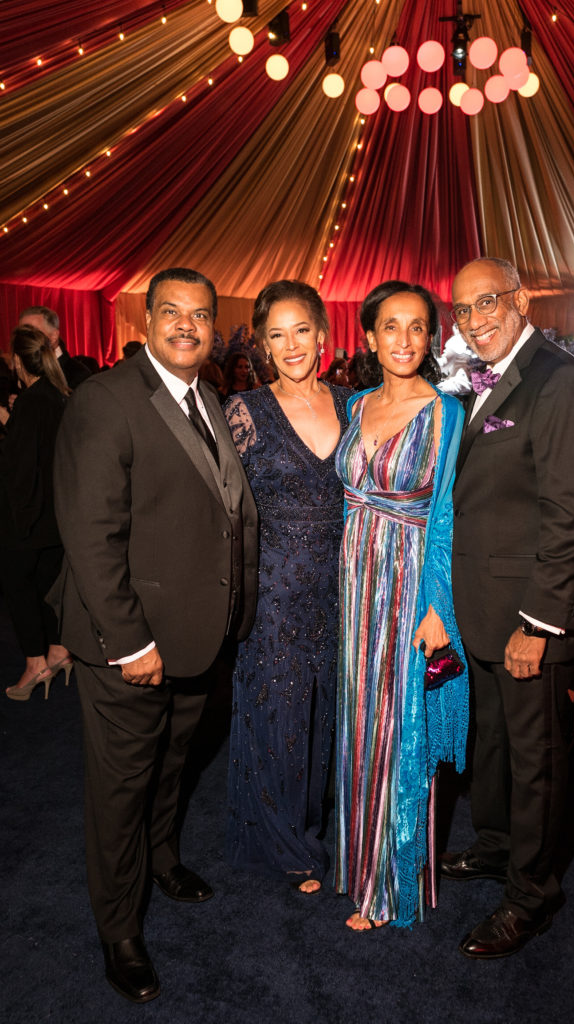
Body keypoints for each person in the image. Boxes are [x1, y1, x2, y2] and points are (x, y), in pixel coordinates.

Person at [50, 268, 258, 1004]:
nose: (187, 326)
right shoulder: (106, 400)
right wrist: (130, 642)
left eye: (200, 315)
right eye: (172, 312)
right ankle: (119, 928)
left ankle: (163, 858)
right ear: (146, 322)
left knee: (172, 764)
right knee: (121, 786)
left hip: (198, 636)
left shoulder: (209, 397)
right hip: (129, 644)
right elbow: (91, 536)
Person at [441, 257, 574, 958]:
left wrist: (537, 624)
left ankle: (532, 896)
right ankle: (496, 845)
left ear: (521, 300)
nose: (475, 319)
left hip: (529, 615)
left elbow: (572, 514)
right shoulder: (483, 377)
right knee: (494, 742)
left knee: (536, 759)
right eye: (463, 309)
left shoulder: (558, 380)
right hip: (484, 607)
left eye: (489, 302)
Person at [334, 280, 469, 931]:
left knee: (397, 726)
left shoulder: (445, 412)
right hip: (353, 585)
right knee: (357, 723)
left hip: (408, 584)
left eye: (418, 327)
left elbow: (445, 515)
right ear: (369, 336)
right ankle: (355, 863)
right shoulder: (356, 404)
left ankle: (388, 886)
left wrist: (437, 606)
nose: (405, 339)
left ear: (431, 337)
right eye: (391, 326)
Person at [224, 280, 350, 893]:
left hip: (342, 588)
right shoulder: (244, 411)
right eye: (277, 335)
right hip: (274, 589)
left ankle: (315, 823)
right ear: (263, 346)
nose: (292, 344)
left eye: (302, 330)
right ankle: (283, 842)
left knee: (326, 713)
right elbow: (221, 509)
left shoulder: (357, 405)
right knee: (277, 709)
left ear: (322, 335)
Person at [1, 325, 71, 699]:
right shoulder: (57, 394)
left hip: (27, 518)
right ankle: (59, 652)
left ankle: (35, 663)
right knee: (47, 587)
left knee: (19, 588)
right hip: (55, 516)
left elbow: (20, 466)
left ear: (17, 361)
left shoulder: (32, 401)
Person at [19, 306, 91, 390]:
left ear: (53, 336)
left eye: (33, 333)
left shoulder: (78, 374)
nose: (25, 339)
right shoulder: (19, 371)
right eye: (21, 334)